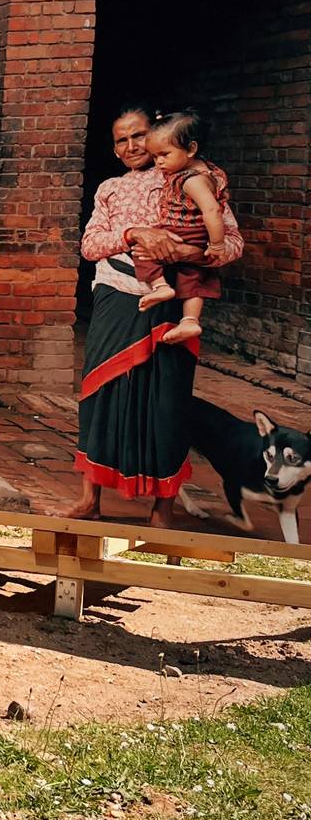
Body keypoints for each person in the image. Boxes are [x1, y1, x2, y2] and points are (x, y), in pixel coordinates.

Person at [72, 101, 243, 525]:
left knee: (166, 400)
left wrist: (191, 251)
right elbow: (90, 245)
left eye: (138, 136)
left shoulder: (193, 179)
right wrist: (133, 233)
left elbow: (233, 243)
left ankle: (161, 509)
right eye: (121, 140)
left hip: (171, 300)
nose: (131, 146)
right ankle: (90, 500)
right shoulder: (109, 189)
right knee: (101, 391)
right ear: (114, 150)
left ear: (156, 136)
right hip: (116, 293)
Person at [131, 109, 229, 344]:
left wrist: (217, 245)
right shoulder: (208, 171)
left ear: (191, 149)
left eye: (164, 154)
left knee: (142, 251)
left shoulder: (191, 180)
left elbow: (212, 210)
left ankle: (160, 285)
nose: (159, 163)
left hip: (182, 231)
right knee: (193, 277)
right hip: (197, 236)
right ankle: (190, 322)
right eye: (154, 157)